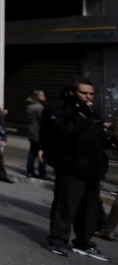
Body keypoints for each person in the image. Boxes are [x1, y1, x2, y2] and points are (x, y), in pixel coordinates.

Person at [42, 78, 112, 259]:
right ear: (73, 92)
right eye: (84, 93)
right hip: (71, 167)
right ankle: (57, 240)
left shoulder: (93, 112)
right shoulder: (62, 108)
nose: (88, 97)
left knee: (90, 209)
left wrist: (110, 140)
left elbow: (98, 136)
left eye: (91, 94)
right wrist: (80, 115)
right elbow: (60, 132)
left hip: (93, 168)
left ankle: (83, 242)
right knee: (66, 206)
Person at [26, 89, 48, 179]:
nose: (44, 97)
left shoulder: (30, 106)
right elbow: (44, 121)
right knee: (41, 153)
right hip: (38, 133)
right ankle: (42, 173)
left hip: (32, 132)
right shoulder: (39, 108)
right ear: (37, 97)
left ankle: (30, 171)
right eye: (42, 95)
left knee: (32, 153)